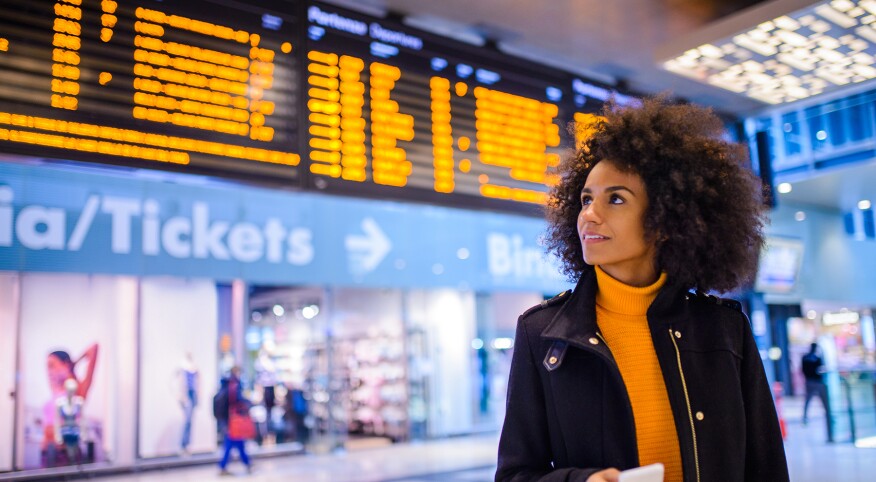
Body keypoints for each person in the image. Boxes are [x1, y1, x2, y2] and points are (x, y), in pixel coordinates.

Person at [496, 96, 789, 482]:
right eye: (586, 199)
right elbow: (516, 474)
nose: (589, 214)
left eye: (615, 198)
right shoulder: (544, 334)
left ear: (667, 218)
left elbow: (765, 466)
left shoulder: (724, 329)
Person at [42, 344, 99, 462]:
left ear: (66, 364)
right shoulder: (55, 388)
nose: (49, 371)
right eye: (47, 367)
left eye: (52, 366)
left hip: (65, 454)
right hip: (48, 451)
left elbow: (94, 348)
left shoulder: (79, 390)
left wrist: (74, 363)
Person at [215, 366, 253, 475]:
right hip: (232, 420)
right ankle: (224, 466)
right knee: (232, 442)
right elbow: (237, 400)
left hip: (227, 419)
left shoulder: (226, 384)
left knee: (236, 442)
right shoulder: (234, 385)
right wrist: (248, 403)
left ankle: (247, 464)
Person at [802, 342, 833, 441]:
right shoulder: (817, 358)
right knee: (823, 402)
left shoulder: (805, 358)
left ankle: (805, 417)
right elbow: (820, 369)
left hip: (810, 381)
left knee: (808, 401)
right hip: (816, 382)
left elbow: (803, 369)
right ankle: (828, 415)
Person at [178, 352, 199, 454]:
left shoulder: (193, 367)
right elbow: (181, 383)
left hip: (193, 395)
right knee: (187, 421)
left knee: (190, 422)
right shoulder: (183, 367)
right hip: (187, 396)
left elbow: (198, 383)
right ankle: (184, 444)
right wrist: (182, 397)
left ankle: (187, 445)